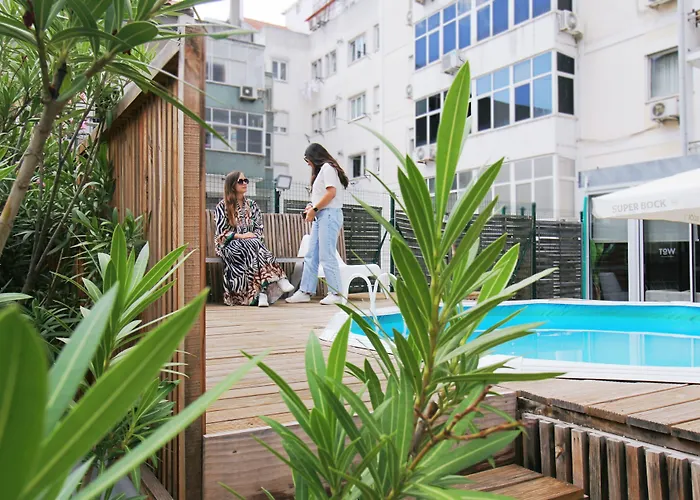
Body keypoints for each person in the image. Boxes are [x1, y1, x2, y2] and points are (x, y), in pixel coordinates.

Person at [214, 171, 295, 307]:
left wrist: (251, 237)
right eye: (241, 181)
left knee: (252, 246)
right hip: (229, 245)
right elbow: (221, 234)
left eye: (246, 180)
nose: (244, 183)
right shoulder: (222, 206)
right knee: (252, 245)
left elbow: (259, 229)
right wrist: (242, 236)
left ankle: (261, 294)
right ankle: (277, 279)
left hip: (252, 245)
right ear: (232, 185)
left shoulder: (252, 205)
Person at [287, 143, 349, 305]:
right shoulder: (323, 171)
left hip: (329, 214)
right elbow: (323, 195)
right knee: (311, 255)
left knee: (326, 254)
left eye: (307, 159)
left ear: (314, 157)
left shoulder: (328, 168)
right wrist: (312, 206)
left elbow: (331, 193)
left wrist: (314, 209)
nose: (307, 163)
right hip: (321, 215)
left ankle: (336, 293)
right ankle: (305, 291)